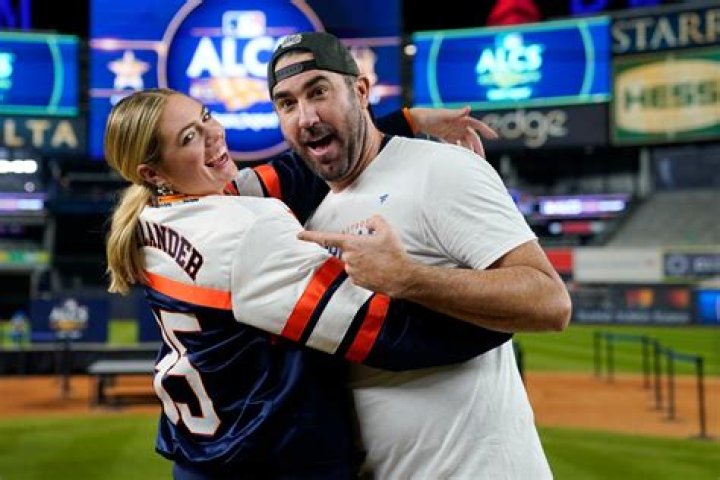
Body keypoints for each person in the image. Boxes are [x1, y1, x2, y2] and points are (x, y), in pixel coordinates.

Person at [103, 88, 512, 479]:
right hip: (269, 460)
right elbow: (383, 331)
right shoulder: (243, 229)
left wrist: (407, 121)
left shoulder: (154, 215)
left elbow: (293, 174)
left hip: (204, 456)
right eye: (189, 137)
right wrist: (504, 309)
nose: (213, 134)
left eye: (205, 116)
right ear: (152, 172)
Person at [265, 31, 572, 479]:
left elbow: (550, 301)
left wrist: (408, 277)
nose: (307, 117)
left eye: (319, 92)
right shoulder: (314, 218)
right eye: (287, 103)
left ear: (361, 91)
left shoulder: (441, 169)